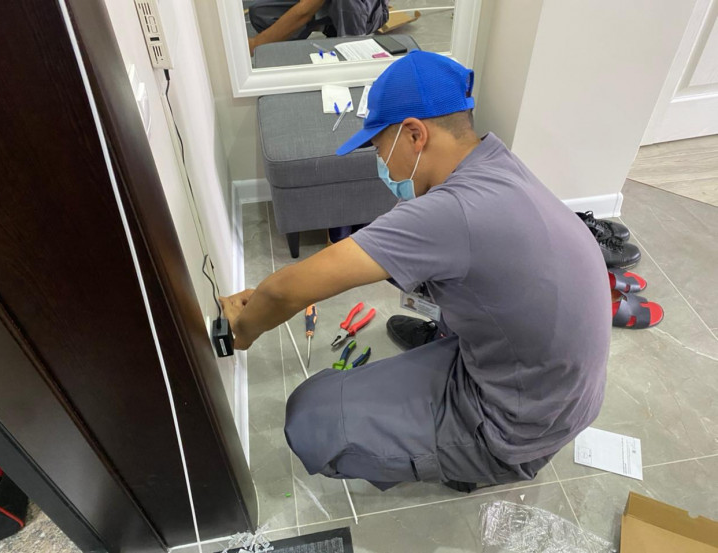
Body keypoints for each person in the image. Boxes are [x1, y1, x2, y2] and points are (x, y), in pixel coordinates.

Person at [221, 51, 611, 492]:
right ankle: (448, 353)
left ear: (414, 134)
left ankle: (470, 463)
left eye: (378, 147)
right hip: (560, 392)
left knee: (310, 416)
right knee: (448, 283)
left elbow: (286, 292)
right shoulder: (496, 162)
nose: (379, 163)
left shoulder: (452, 212)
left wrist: (243, 329)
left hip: (514, 428)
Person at [247, 0, 389, 55]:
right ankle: (327, 26)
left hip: (369, 10)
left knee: (347, 2)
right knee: (260, 12)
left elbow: (304, 12)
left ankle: (351, 52)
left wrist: (256, 44)